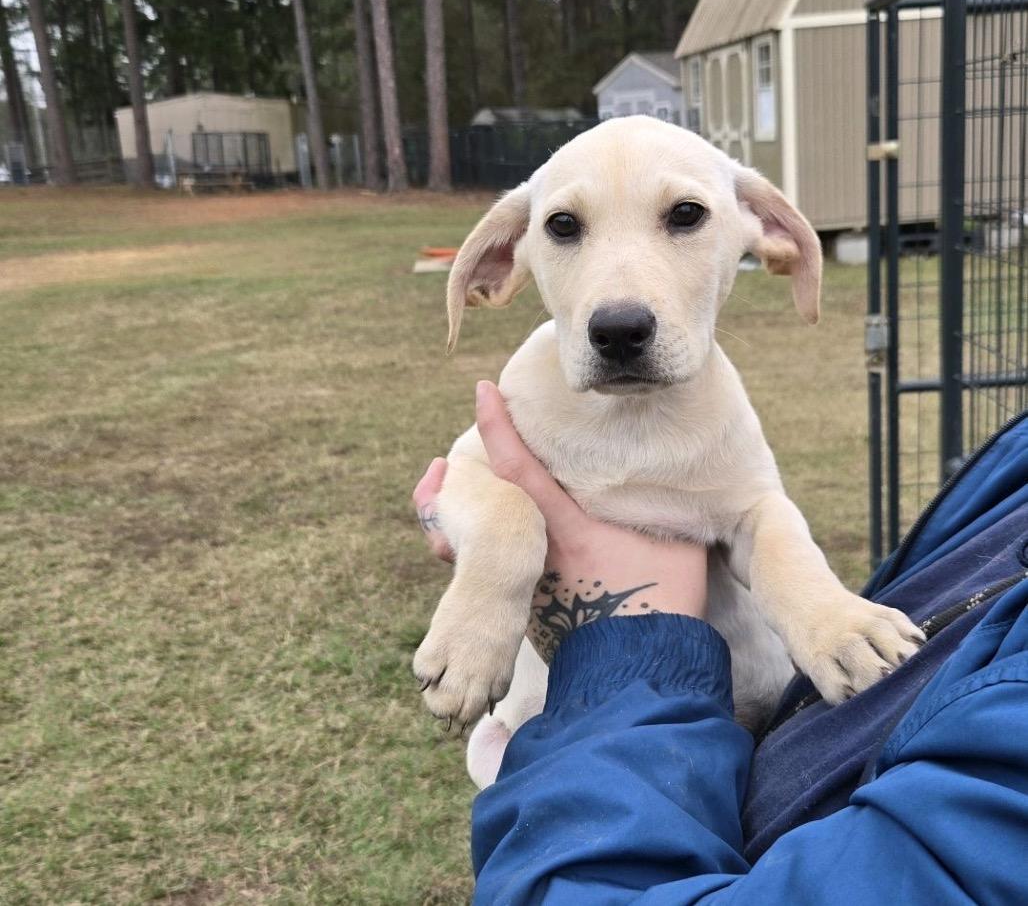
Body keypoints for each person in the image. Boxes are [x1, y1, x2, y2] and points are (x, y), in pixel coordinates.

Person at [414, 382, 1028, 905]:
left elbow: (756, 509)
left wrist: (625, 627)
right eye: (565, 230)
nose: (622, 301)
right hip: (599, 750)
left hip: (653, 759)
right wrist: (497, 561)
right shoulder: (1016, 471)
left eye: (684, 229)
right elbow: (466, 478)